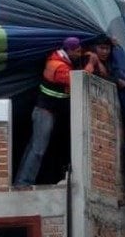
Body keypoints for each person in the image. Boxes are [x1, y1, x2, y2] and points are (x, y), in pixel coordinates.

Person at [14, 36, 96, 187]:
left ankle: (21, 181)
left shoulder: (63, 61)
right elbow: (81, 79)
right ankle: (24, 182)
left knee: (34, 148)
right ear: (69, 51)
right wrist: (91, 63)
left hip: (49, 112)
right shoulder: (57, 66)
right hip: (44, 112)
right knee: (38, 149)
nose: (80, 54)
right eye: (77, 51)